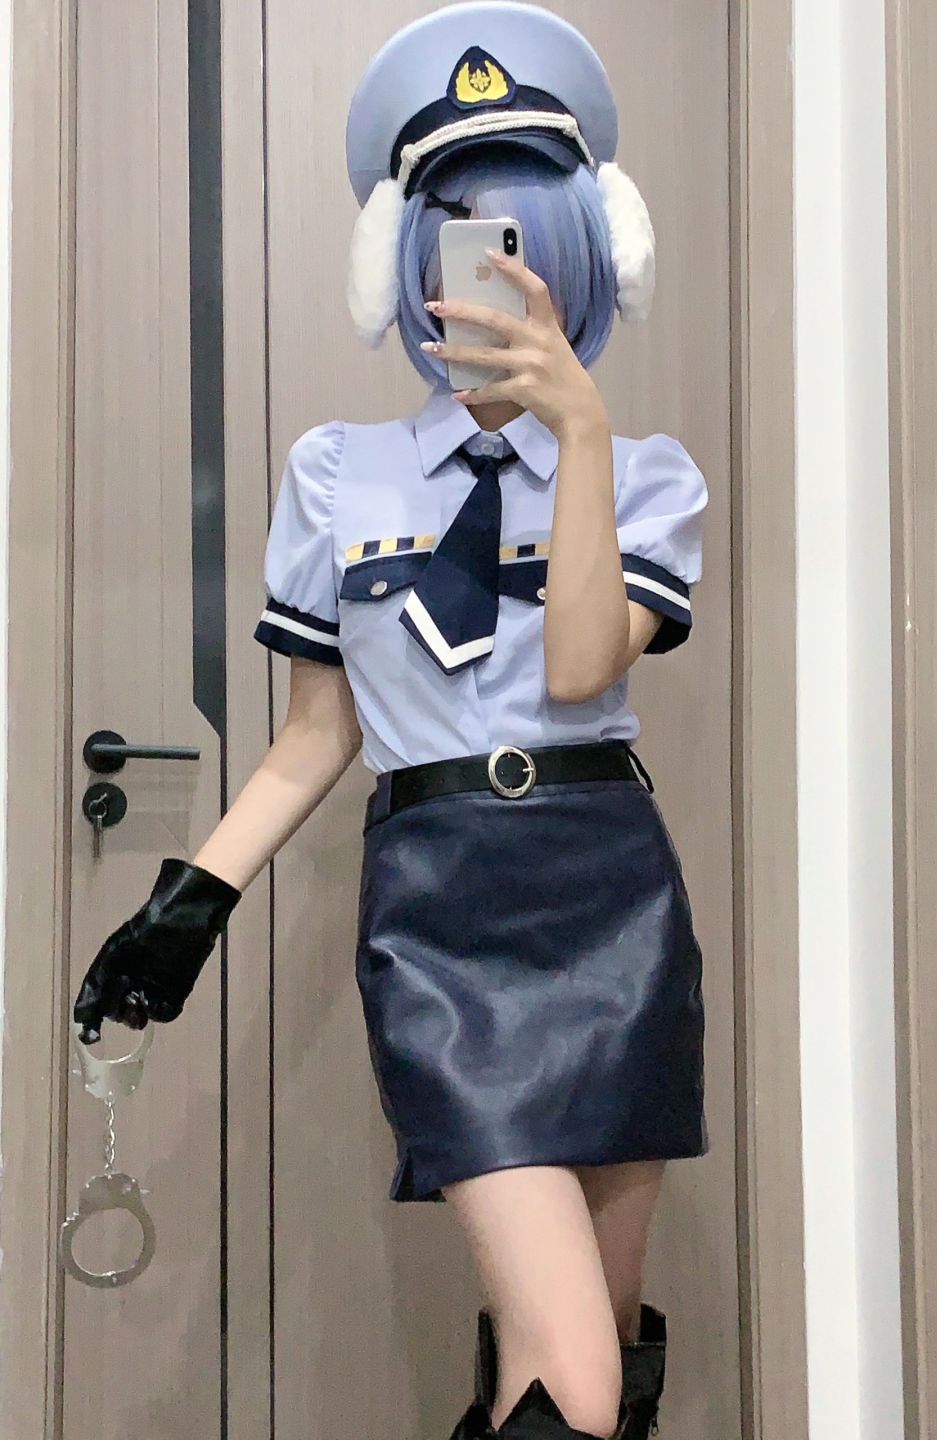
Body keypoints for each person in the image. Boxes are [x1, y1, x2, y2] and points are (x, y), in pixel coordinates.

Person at [73, 6, 709, 1438]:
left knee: (598, 1353)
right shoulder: (336, 474)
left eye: (531, 244)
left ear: (590, 258)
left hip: (612, 901)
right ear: (409, 267)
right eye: (464, 246)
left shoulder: (652, 477)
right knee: (575, 1379)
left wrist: (582, 433)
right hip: (443, 915)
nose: (497, 281)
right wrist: (185, 908)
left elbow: (583, 668)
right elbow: (319, 731)